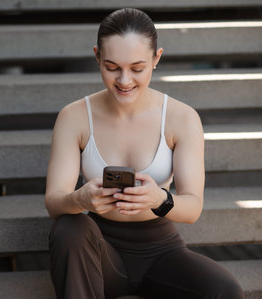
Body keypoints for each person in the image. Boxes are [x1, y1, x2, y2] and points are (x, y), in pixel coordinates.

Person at [44, 8, 244, 299]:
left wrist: (160, 199)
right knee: (68, 227)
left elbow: (193, 207)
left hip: (161, 252)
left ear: (156, 58)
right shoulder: (74, 117)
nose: (124, 81)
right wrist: (80, 198)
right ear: (97, 56)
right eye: (112, 67)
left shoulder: (181, 117)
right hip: (98, 253)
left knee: (225, 291)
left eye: (137, 68)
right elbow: (54, 202)